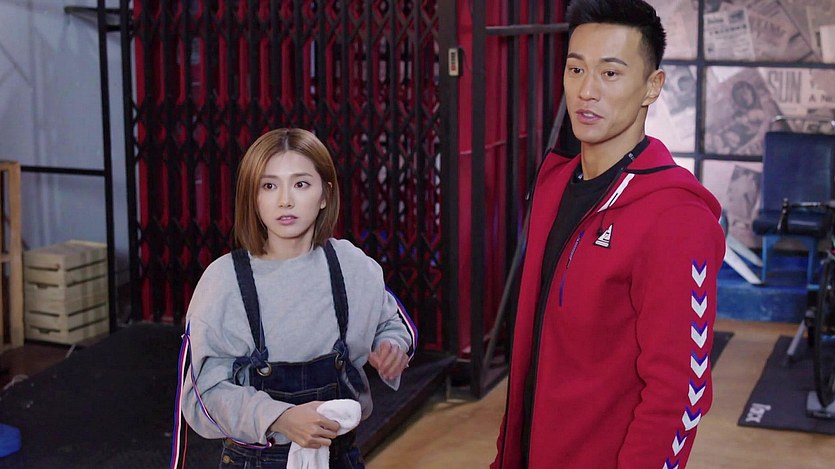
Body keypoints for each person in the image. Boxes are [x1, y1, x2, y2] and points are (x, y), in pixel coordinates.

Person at [492, 1, 725, 468]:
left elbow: (681, 390)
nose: (586, 91)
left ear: (652, 87)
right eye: (576, 69)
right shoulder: (554, 184)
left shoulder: (676, 216)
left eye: (611, 73)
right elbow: (534, 356)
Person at [178, 128, 416, 469]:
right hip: (256, 460)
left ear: (324, 195)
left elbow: (391, 322)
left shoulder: (351, 266)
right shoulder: (225, 282)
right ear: (252, 198)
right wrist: (280, 417)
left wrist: (391, 346)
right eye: (269, 186)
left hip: (339, 456)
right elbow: (204, 393)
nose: (285, 200)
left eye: (301, 184)